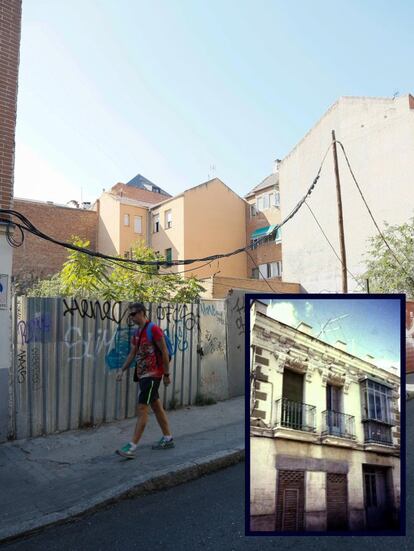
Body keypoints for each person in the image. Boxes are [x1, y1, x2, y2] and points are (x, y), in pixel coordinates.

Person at [116, 302, 174, 458]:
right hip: (143, 375)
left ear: (142, 312)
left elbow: (164, 352)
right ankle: (168, 438)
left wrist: (167, 375)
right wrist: (122, 370)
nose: (131, 317)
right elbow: (133, 353)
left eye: (133, 314)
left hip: (153, 376)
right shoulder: (137, 332)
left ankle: (131, 446)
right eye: (130, 315)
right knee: (156, 406)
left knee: (142, 408)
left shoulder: (153, 329)